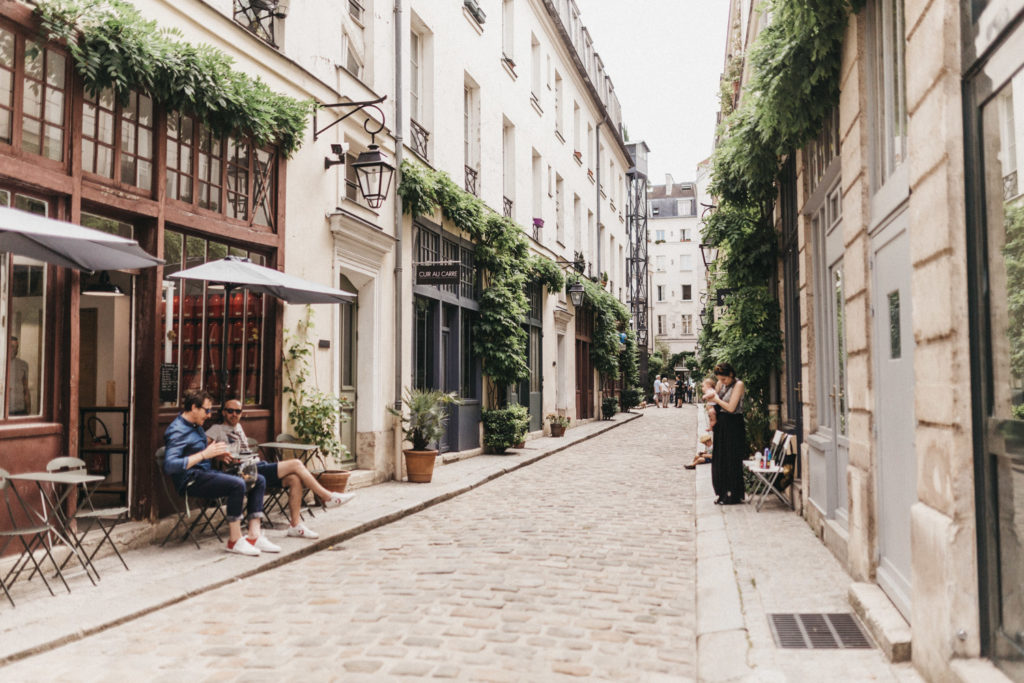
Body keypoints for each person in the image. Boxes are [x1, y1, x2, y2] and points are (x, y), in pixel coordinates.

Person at [206, 399, 354, 539]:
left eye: (238, 411)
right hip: (241, 471)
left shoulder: (238, 427)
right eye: (230, 411)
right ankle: (327, 497)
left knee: (294, 479)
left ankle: (295, 526)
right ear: (224, 412)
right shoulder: (216, 429)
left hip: (255, 465)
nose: (234, 414)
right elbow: (203, 450)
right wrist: (217, 456)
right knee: (296, 464)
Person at [163, 390, 278, 556]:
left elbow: (197, 450)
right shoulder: (177, 430)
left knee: (257, 479)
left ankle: (254, 536)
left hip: (206, 474)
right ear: (194, 407)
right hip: (191, 480)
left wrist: (217, 454)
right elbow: (170, 465)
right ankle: (234, 541)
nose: (209, 415)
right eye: (207, 410)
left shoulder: (197, 427)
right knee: (237, 484)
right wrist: (204, 455)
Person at [708, 363, 747, 505]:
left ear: (731, 374)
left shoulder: (739, 384)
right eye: (720, 379)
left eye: (724, 379)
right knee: (720, 458)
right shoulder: (720, 383)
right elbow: (712, 402)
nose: (722, 382)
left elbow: (731, 407)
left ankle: (733, 493)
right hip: (722, 424)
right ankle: (721, 492)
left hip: (734, 424)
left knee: (732, 458)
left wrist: (716, 399)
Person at [686, 378, 718, 469]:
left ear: (708, 386)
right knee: (711, 416)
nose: (702, 388)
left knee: (712, 415)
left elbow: (712, 394)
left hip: (712, 409)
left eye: (703, 386)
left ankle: (692, 465)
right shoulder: (708, 447)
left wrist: (704, 397)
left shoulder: (711, 391)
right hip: (711, 409)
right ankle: (692, 465)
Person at [8, 336, 29, 416]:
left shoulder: (23, 365)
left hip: (20, 409)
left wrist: (28, 408)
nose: (15, 350)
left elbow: (26, 389)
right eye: (12, 346)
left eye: (16, 347)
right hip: (6, 410)